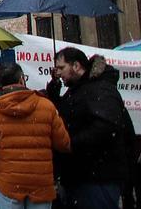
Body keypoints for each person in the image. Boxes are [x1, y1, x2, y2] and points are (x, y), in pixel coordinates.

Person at [45, 47, 135, 209]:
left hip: (98, 177)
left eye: (61, 68)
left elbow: (105, 128)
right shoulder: (77, 89)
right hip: (80, 176)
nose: (58, 73)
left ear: (76, 66)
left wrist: (70, 143)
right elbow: (66, 114)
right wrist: (54, 89)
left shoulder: (99, 89)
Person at [0, 63, 70, 209]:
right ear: (21, 80)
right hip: (40, 181)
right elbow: (63, 143)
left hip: (8, 182)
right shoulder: (46, 106)